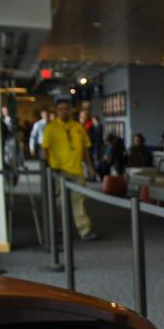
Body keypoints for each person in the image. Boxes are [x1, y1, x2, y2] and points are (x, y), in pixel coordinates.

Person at [41, 100, 99, 241]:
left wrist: (90, 167)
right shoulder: (51, 128)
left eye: (66, 109)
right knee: (60, 202)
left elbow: (85, 149)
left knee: (78, 201)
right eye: (61, 109)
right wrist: (47, 168)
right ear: (57, 111)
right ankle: (60, 228)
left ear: (70, 110)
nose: (64, 111)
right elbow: (45, 150)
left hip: (77, 171)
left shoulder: (78, 127)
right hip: (58, 171)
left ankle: (84, 231)